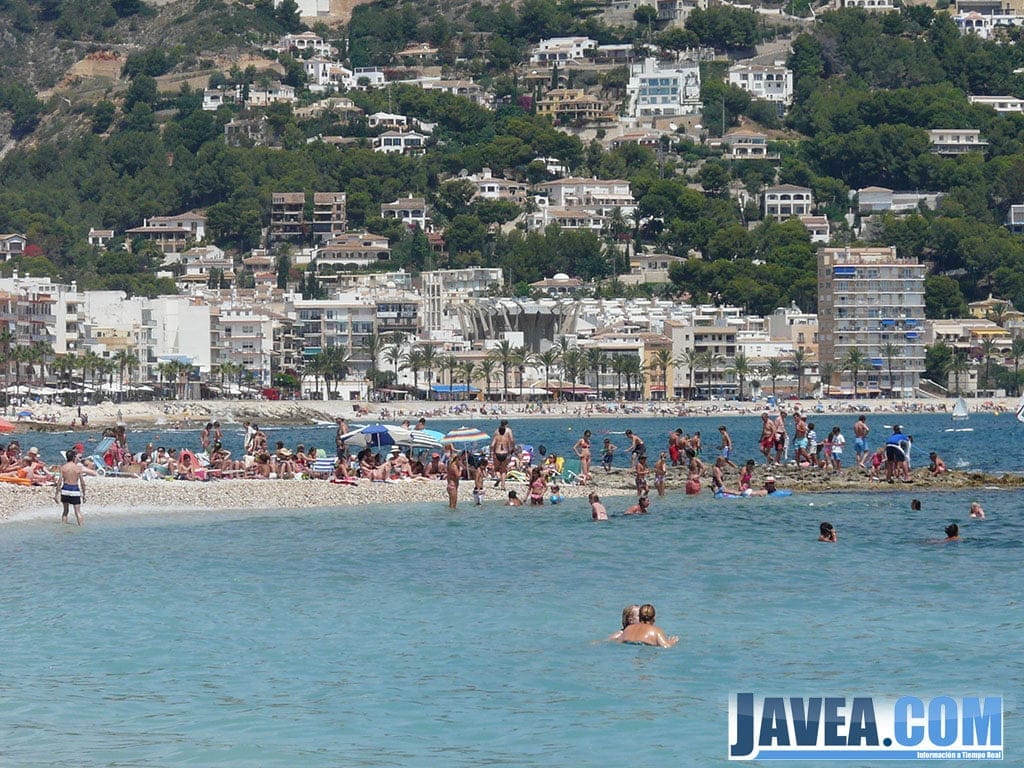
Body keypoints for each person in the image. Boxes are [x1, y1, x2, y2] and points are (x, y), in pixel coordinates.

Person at [58, 449, 87, 525]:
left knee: (65, 511)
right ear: (74, 457)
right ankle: (81, 527)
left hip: (65, 489)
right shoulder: (78, 468)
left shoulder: (63, 467)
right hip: (74, 489)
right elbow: (82, 483)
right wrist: (84, 494)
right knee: (77, 512)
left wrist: (56, 494)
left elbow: (59, 481)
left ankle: (64, 527)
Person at [490, 422, 515, 490]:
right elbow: (510, 445)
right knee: (503, 471)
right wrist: (511, 451)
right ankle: (503, 486)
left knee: (496, 469)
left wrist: (491, 452)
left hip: (497, 453)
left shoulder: (496, 437)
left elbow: (492, 445)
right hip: (505, 453)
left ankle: (498, 478)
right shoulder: (507, 438)